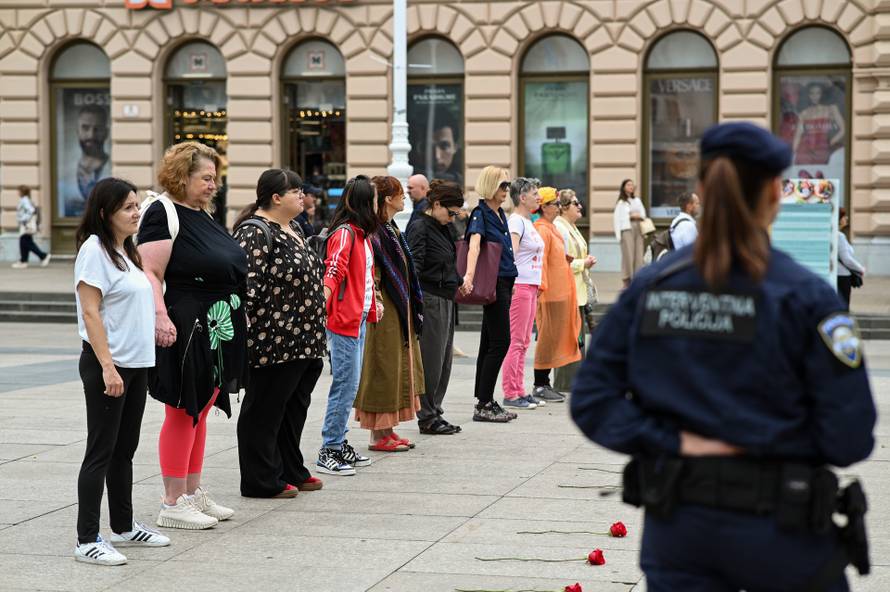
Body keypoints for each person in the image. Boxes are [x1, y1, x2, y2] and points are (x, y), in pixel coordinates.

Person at [571, 122, 876, 591]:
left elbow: (591, 398)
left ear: (700, 190)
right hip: (783, 531)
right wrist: (770, 441)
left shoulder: (652, 288)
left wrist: (674, 441)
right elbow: (850, 436)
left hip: (682, 531)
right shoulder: (806, 297)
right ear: (776, 192)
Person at [138, 142, 247, 530]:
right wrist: (160, 316)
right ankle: (172, 501)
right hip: (187, 322)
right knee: (184, 408)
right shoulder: (161, 212)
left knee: (200, 409)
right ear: (181, 176)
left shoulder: (202, 212)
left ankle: (192, 490)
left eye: (214, 178)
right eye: (205, 177)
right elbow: (150, 272)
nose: (212, 184)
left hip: (216, 322)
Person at [74, 178, 170, 565]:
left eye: (136, 205)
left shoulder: (125, 251)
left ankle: (125, 525)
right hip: (108, 367)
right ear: (104, 213)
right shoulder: (93, 250)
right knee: (100, 450)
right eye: (127, 207)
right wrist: (108, 367)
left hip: (136, 365)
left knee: (124, 451)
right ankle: (86, 539)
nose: (136, 213)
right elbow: (90, 311)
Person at [233, 169, 326, 498]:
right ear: (276, 197)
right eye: (296, 191)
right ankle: (260, 478)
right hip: (274, 341)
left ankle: (290, 468)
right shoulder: (255, 232)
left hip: (305, 339)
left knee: (292, 409)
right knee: (265, 410)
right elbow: (247, 289)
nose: (303, 196)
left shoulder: (296, 227)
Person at [354, 176, 425, 451]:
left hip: (399, 306)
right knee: (383, 367)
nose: (404, 197)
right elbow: (373, 272)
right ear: (387, 199)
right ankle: (378, 433)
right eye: (399, 193)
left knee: (396, 367)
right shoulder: (375, 231)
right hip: (384, 309)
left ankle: (388, 428)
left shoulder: (389, 227)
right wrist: (379, 301)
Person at [318, 175, 381, 475]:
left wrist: (372, 304)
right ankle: (329, 447)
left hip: (356, 320)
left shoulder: (361, 235)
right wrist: (322, 301)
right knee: (344, 385)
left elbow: (364, 276)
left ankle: (338, 441)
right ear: (365, 202)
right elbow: (335, 268)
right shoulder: (346, 234)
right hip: (344, 321)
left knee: (349, 385)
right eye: (375, 198)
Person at [407, 180, 464, 435]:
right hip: (430, 299)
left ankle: (435, 411)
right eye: (450, 213)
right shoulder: (420, 227)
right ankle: (427, 416)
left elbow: (447, 261)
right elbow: (414, 267)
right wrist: (415, 304)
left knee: (444, 362)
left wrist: (459, 282)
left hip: (445, 296)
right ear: (437, 204)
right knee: (431, 361)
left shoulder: (442, 227)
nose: (452, 219)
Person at [462, 165, 518, 423]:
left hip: (505, 282)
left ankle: (484, 400)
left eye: (507, 185)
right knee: (500, 342)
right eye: (502, 185)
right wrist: (469, 276)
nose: (507, 190)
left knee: (488, 342)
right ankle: (484, 403)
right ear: (490, 186)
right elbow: (474, 245)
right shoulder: (481, 213)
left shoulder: (499, 214)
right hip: (493, 286)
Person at [532, 187, 581, 401]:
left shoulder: (549, 228)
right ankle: (540, 384)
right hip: (549, 295)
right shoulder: (542, 228)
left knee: (553, 339)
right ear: (544, 207)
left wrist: (564, 259)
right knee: (547, 339)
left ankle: (545, 382)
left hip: (559, 294)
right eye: (555, 204)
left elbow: (551, 256)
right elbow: (540, 262)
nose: (559, 208)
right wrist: (541, 287)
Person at [500, 177, 545, 411]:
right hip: (520, 286)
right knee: (516, 341)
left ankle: (520, 390)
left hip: (531, 286)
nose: (539, 197)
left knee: (524, 341)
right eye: (534, 193)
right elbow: (511, 254)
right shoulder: (516, 221)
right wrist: (512, 283)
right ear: (522, 197)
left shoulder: (528, 221)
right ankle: (511, 392)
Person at [553, 189, 596, 392]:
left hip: (577, 292)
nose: (580, 206)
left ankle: (575, 383)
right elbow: (559, 263)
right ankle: (564, 384)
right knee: (568, 341)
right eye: (575, 203)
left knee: (577, 340)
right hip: (566, 291)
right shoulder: (559, 228)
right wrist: (583, 263)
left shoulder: (571, 226)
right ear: (563, 208)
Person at [613, 179, 646, 287]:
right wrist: (618, 236)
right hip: (627, 229)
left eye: (632, 185)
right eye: (628, 185)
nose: (631, 187)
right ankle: (626, 281)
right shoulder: (621, 203)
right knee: (628, 255)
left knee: (639, 255)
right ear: (624, 187)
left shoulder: (637, 200)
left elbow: (643, 214)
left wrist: (637, 215)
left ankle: (638, 279)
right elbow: (617, 219)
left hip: (638, 228)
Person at [12, 185, 50, 269]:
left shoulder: (24, 200)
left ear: (22, 192)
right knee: (25, 242)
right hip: (26, 225)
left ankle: (42, 256)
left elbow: (31, 211)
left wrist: (23, 219)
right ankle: (24, 261)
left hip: (26, 225)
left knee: (25, 242)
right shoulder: (26, 199)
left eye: (18, 191)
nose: (17, 192)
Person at [837, 207, 866, 310]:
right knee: (843, 306)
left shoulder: (832, 234)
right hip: (842, 277)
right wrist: (860, 269)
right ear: (839, 219)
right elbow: (846, 259)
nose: (847, 218)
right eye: (844, 216)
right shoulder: (839, 236)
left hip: (837, 275)